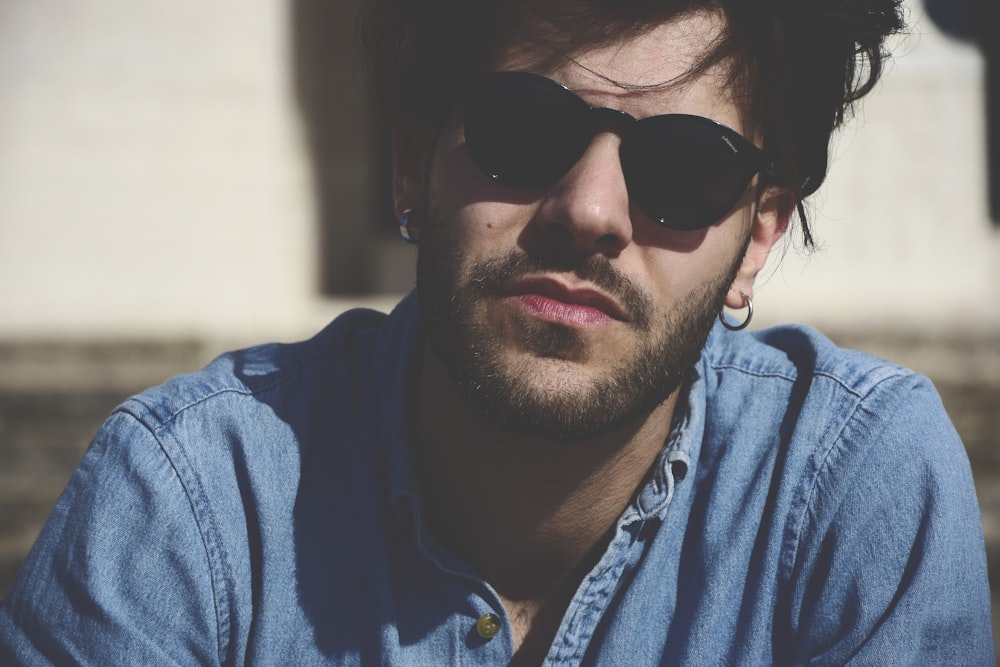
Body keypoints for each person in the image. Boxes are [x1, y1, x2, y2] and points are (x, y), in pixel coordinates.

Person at [1, 0, 995, 664]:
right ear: (409, 163)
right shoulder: (188, 502)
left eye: (686, 167)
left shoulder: (853, 487)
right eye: (525, 128)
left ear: (755, 240)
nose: (591, 211)